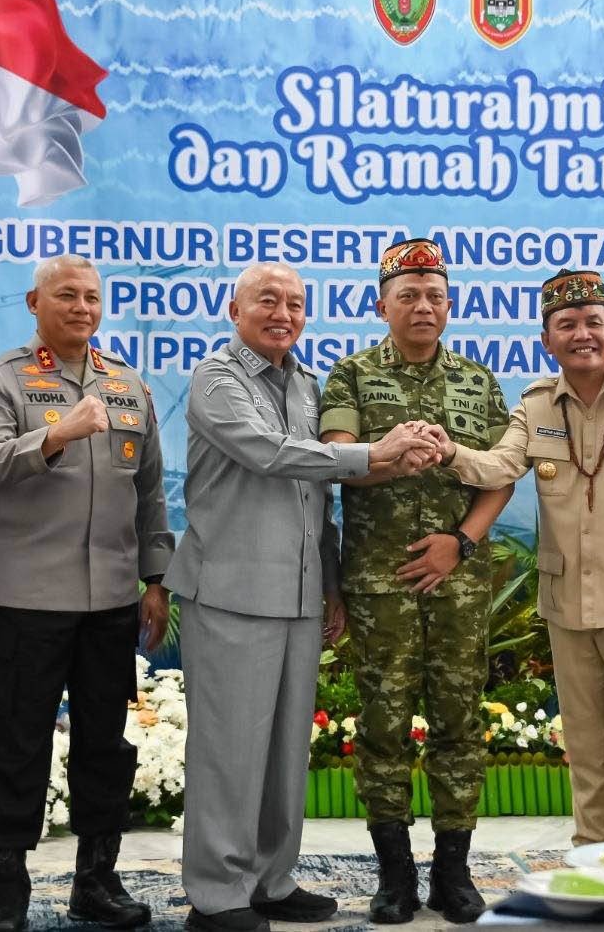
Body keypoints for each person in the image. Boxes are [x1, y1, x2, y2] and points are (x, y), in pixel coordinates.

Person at [167, 262, 438, 932]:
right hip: (231, 591)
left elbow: (315, 497)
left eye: (294, 303)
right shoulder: (216, 378)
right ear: (235, 310)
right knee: (229, 752)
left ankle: (270, 879)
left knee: (285, 752)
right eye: (268, 300)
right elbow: (271, 453)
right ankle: (217, 894)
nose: (282, 313)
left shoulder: (306, 384)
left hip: (296, 593)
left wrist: (330, 583)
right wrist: (373, 454)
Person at [426, 269, 604, 845]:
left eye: (593, 322)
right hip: (567, 603)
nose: (582, 334)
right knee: (585, 748)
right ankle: (591, 856)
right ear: (546, 341)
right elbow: (499, 466)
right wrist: (451, 452)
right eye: (566, 324)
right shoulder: (535, 406)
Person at [0, 255, 173, 931]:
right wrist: (55, 434)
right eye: (66, 295)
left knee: (104, 744)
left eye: (90, 297)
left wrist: (156, 580)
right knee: (19, 743)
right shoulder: (2, 379)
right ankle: (7, 890)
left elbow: (150, 491)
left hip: (110, 598)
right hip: (26, 599)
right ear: (34, 302)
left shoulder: (127, 383)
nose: (82, 307)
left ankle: (96, 879)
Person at [318, 239, 513, 924]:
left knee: (459, 722)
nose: (422, 306)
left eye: (434, 295)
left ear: (450, 305)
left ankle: (453, 872)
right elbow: (337, 457)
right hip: (381, 584)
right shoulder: (350, 375)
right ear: (382, 306)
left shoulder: (477, 381)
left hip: (457, 580)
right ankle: (395, 873)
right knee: (383, 725)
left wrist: (460, 543)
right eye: (408, 295)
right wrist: (391, 456)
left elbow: (500, 473)